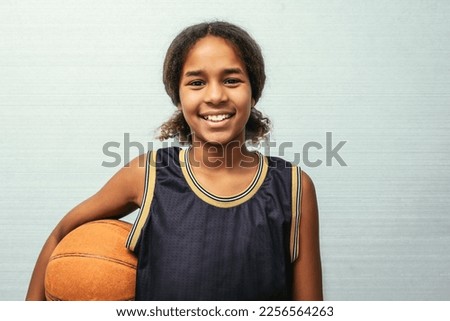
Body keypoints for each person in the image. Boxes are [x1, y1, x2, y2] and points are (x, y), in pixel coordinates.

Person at [26, 21, 323, 301]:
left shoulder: (293, 187)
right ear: (178, 97)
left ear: (254, 92)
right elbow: (59, 235)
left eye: (232, 80)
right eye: (196, 82)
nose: (216, 95)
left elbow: (310, 308)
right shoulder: (148, 174)